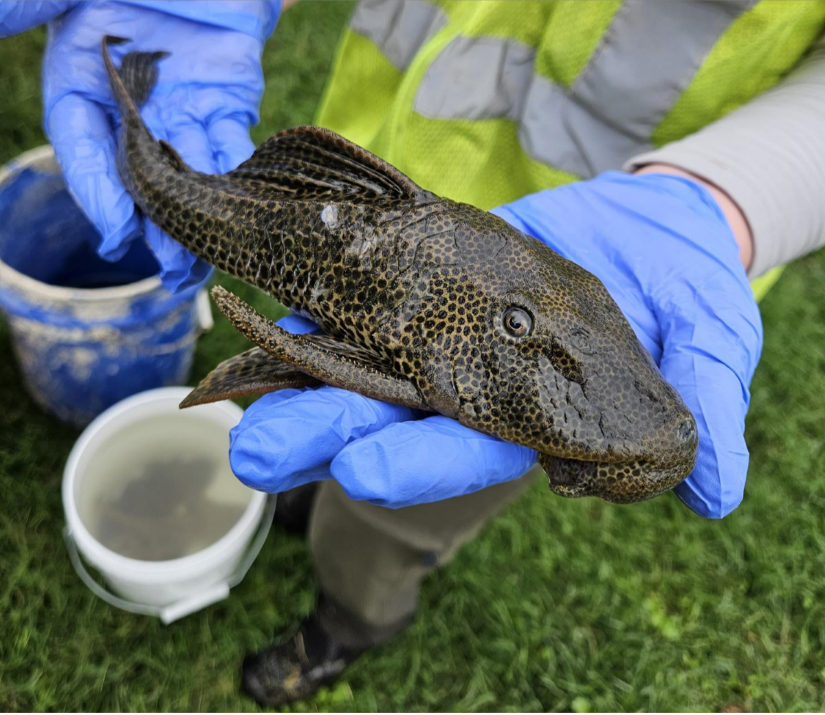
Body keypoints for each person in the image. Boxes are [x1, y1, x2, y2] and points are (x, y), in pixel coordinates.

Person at [2, 0, 824, 707]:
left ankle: (349, 618)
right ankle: (302, 506)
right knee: (312, 436)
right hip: (390, 178)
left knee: (391, 506)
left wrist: (732, 188)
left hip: (606, 215)